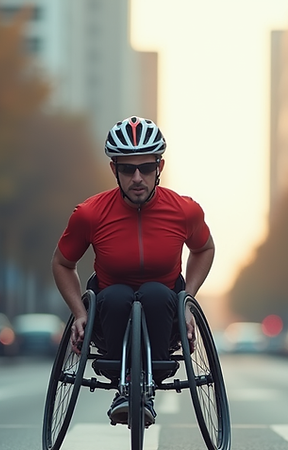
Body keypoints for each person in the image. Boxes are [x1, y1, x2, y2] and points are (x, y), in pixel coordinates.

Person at [51, 116, 215, 426]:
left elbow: (204, 248)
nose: (137, 177)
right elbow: (62, 263)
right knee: (117, 295)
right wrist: (78, 313)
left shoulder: (184, 210)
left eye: (146, 168)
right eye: (127, 169)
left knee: (154, 292)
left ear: (159, 168)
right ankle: (121, 379)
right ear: (114, 169)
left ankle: (153, 374)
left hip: (163, 308)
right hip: (109, 308)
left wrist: (188, 302)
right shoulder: (89, 214)